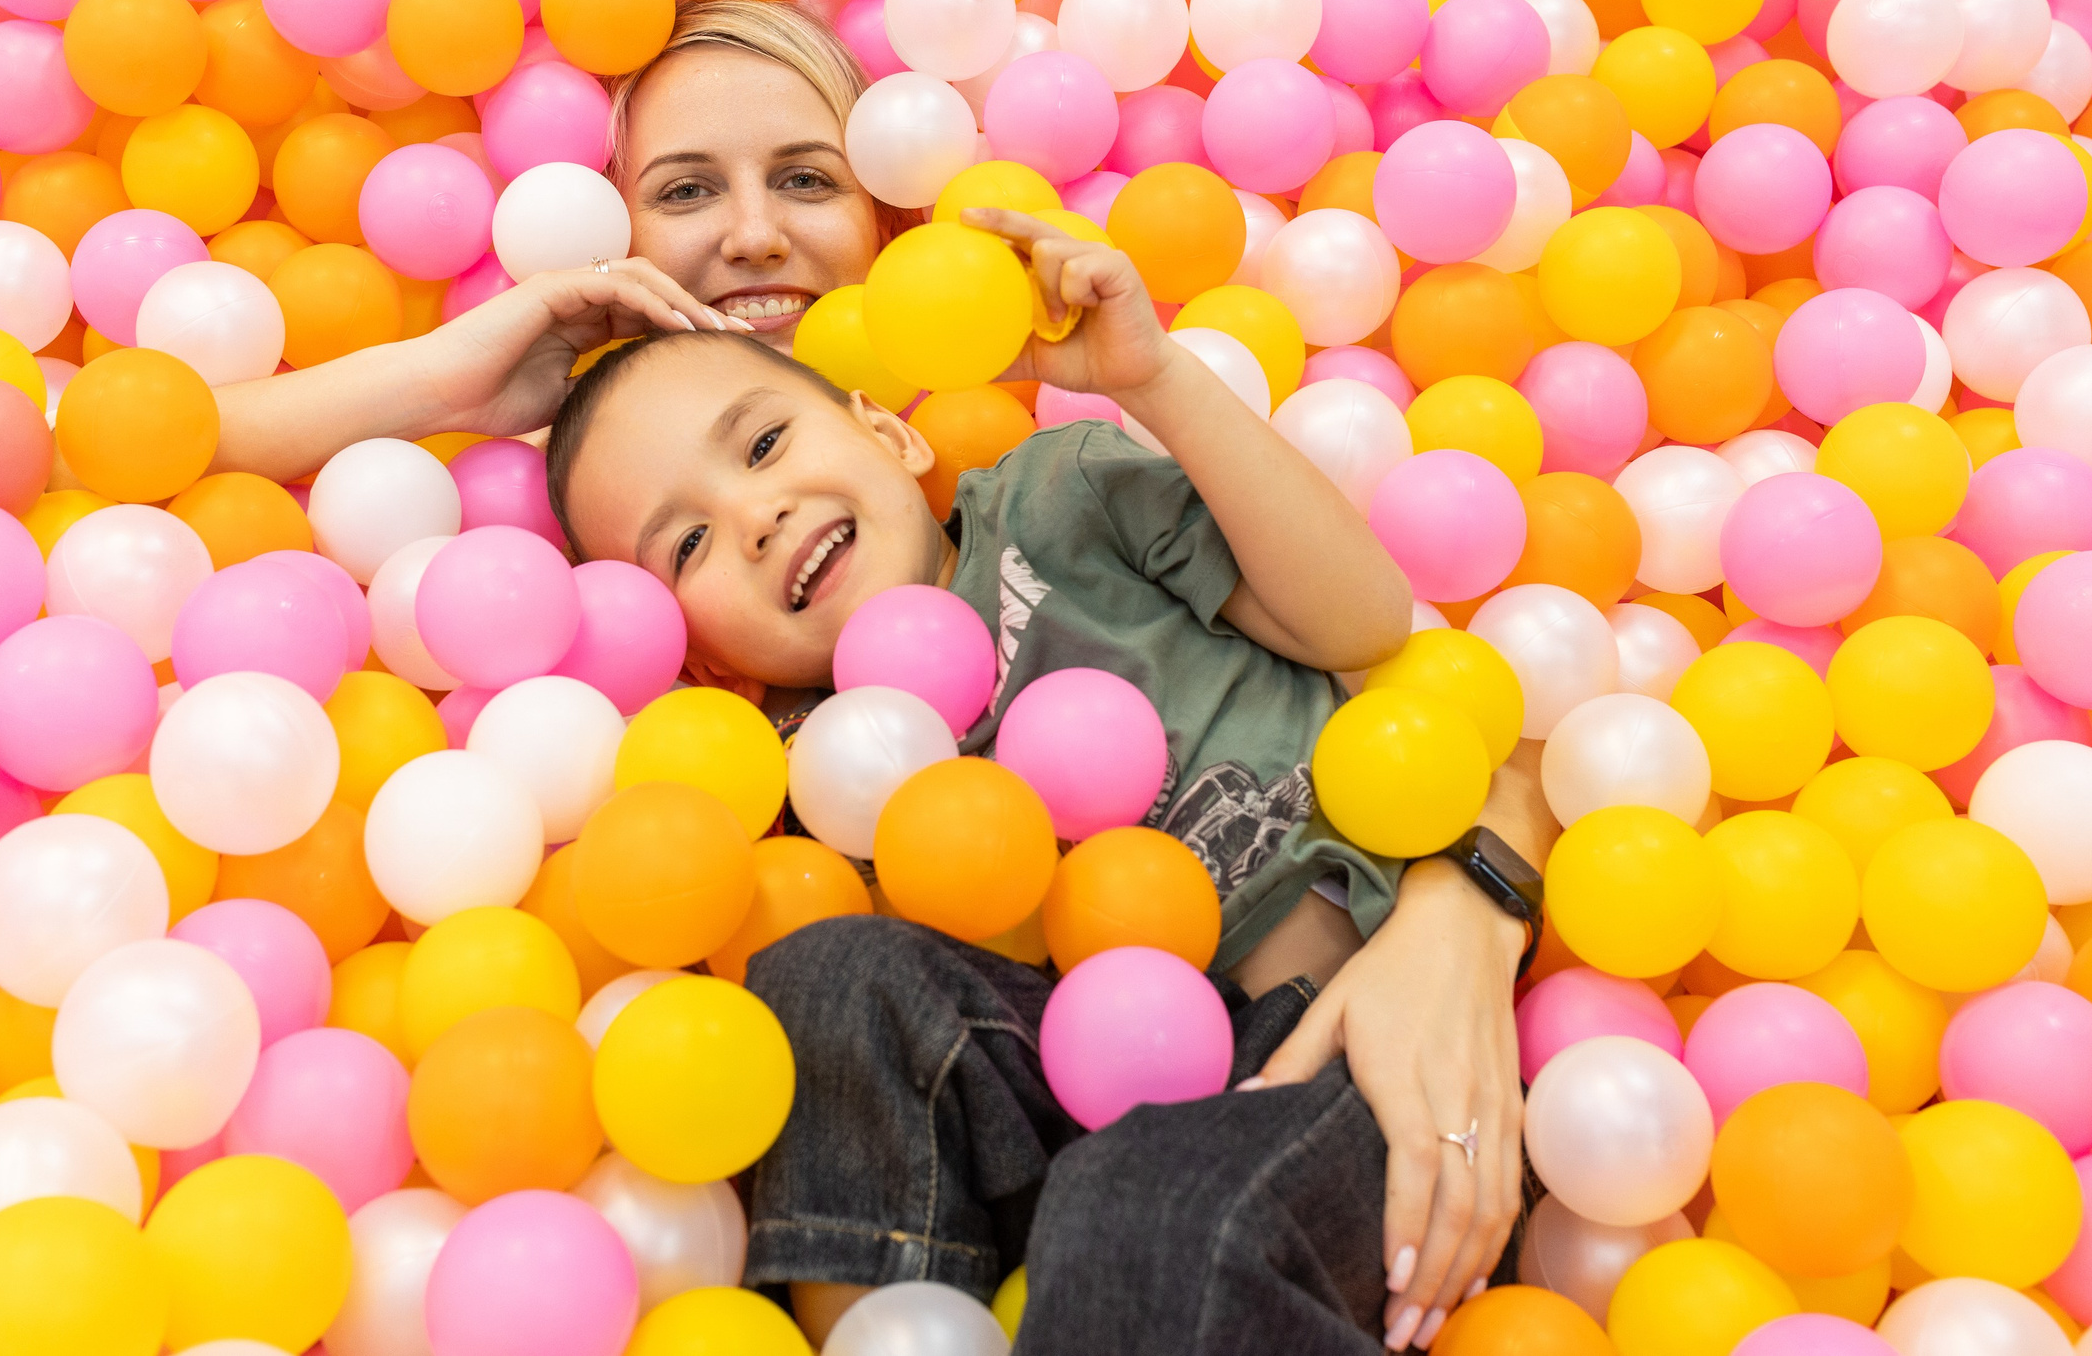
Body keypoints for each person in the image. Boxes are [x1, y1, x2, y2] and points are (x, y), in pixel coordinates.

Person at [542, 209, 1561, 1355]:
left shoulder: (1056, 498)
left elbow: (1360, 619)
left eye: (765, 445)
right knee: (822, 977)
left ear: (889, 434)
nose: (755, 516)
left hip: (1348, 1054)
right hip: (1091, 1091)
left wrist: (1159, 380)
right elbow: (885, 1071)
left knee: (1143, 1209)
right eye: (685, 547)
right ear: (709, 660)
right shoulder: (810, 780)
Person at [209, 0, 904, 481]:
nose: (755, 237)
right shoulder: (560, 489)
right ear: (616, 234)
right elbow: (147, 449)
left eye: (807, 179)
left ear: (879, 213)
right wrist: (437, 384)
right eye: (686, 191)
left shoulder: (1008, 421)